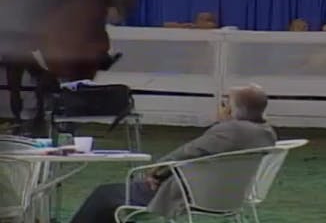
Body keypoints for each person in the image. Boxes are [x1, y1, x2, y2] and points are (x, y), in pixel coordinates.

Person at [69, 84, 276, 223]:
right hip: (231, 196)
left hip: (191, 193)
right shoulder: (267, 134)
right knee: (114, 196)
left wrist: (156, 173)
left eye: (224, 104)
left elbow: (185, 154)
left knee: (104, 194)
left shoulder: (229, 131)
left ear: (232, 111)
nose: (220, 108)